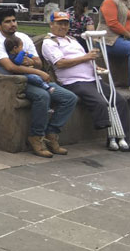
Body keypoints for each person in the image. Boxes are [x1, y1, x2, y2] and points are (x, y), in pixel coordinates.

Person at [0, 8, 77, 157]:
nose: (12, 24)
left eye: (14, 20)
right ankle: (36, 137)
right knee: (43, 96)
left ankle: (52, 133)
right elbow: (10, 67)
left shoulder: (23, 38)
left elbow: (38, 62)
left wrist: (33, 64)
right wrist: (37, 71)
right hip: (15, 82)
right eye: (7, 22)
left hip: (35, 79)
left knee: (69, 98)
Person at [41, 10, 130, 150]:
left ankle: (123, 138)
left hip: (93, 78)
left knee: (120, 101)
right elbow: (60, 63)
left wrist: (95, 66)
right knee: (100, 101)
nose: (63, 27)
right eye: (59, 24)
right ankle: (103, 125)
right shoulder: (50, 42)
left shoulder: (73, 40)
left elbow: (85, 59)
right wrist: (86, 58)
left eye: (66, 24)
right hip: (74, 82)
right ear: (51, 24)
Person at [97, 0, 130, 82]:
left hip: (122, 38)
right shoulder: (110, 1)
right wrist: (128, 34)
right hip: (108, 40)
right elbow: (113, 23)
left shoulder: (128, 1)